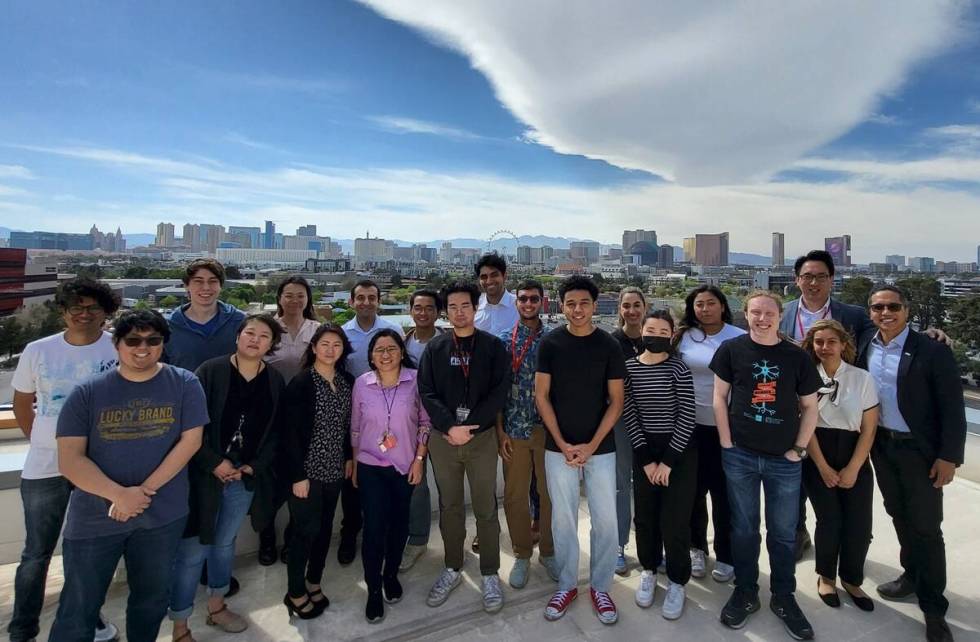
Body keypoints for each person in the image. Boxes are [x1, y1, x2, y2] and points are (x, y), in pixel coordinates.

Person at [780, 250, 948, 560]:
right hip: (795, 410)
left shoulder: (855, 314)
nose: (813, 282)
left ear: (832, 280)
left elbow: (887, 333)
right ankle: (798, 532)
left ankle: (854, 541)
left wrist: (927, 335)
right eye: (807, 276)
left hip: (843, 417)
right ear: (796, 280)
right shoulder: (785, 312)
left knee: (847, 482)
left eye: (820, 276)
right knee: (797, 478)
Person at [49, 310, 206, 642]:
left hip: (162, 516)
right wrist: (119, 495)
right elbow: (70, 459)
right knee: (79, 609)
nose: (142, 348)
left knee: (150, 602)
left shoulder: (184, 384)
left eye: (153, 341)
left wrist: (141, 493)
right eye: (132, 340)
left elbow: (190, 442)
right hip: (95, 519)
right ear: (117, 344)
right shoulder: (88, 393)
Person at [8, 278, 121, 642]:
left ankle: (89, 616)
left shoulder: (118, 346)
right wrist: (44, 441)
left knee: (87, 551)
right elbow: (23, 404)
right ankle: (22, 628)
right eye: (77, 307)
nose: (84, 314)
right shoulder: (38, 350)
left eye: (93, 308)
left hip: (99, 465)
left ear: (106, 313)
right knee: (36, 554)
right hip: (45, 467)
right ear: (64, 310)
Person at [857, 286, 966, 642]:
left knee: (927, 527)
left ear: (907, 309)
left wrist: (948, 456)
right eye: (877, 307)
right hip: (882, 447)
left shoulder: (931, 349)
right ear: (869, 311)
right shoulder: (863, 345)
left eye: (893, 306)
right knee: (899, 515)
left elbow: (952, 409)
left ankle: (934, 606)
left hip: (919, 451)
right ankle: (911, 575)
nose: (885, 312)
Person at [711, 290, 821, 640]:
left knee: (784, 532)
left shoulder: (796, 357)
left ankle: (784, 596)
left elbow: (810, 407)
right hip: (740, 454)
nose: (761, 319)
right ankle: (746, 591)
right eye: (755, 313)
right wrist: (727, 444)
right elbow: (719, 398)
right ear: (746, 315)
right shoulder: (731, 350)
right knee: (743, 529)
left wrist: (799, 449)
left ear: (779, 316)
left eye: (768, 313)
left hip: (784, 458)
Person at [168, 315, 286, 641]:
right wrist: (213, 462)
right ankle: (180, 626)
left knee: (224, 544)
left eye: (264, 336)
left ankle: (217, 606)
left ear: (271, 345)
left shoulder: (274, 380)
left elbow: (275, 432)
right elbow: (188, 423)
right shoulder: (210, 372)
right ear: (237, 336)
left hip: (242, 477)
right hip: (204, 475)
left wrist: (253, 467)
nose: (255, 340)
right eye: (250, 332)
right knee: (193, 550)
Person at [537, 275, 625, 625]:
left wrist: (590, 445)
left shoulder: (608, 345)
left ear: (594, 304)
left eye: (584, 303)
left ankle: (601, 586)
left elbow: (616, 401)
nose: (577, 310)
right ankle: (567, 582)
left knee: (605, 518)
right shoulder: (551, 344)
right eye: (570, 303)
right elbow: (541, 396)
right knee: (562, 518)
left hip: (600, 447)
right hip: (558, 446)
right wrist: (562, 443)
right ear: (562, 306)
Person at [417, 281, 510, 613]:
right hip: (444, 440)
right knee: (450, 507)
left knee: (486, 508)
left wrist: (471, 427)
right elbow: (426, 391)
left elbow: (500, 391)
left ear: (476, 307)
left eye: (465, 306)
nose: (459, 312)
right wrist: (449, 427)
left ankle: (489, 572)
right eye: (453, 307)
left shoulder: (493, 347)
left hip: (482, 439)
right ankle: (453, 566)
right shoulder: (436, 348)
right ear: (447, 311)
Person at [351, 329, 431, 623]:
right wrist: (356, 462)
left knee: (399, 526)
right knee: (373, 528)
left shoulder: (414, 381)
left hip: (404, 465)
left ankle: (390, 575)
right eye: (379, 350)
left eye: (392, 348)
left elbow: (425, 422)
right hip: (371, 465)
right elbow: (356, 427)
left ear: (401, 351)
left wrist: (419, 459)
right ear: (370, 356)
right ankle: (373, 589)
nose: (386, 355)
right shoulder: (362, 384)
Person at [800, 320, 878, 613]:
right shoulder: (807, 378)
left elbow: (869, 429)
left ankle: (852, 579)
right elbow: (806, 426)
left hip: (853, 452)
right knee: (829, 520)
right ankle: (826, 577)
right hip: (818, 451)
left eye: (831, 342)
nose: (824, 347)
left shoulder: (862, 379)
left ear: (843, 344)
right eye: (819, 342)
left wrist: (854, 468)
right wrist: (822, 466)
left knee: (859, 523)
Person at [623, 310, 697, 620]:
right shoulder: (628, 368)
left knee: (674, 520)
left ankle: (678, 581)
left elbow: (687, 415)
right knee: (645, 517)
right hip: (644, 451)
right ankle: (650, 569)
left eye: (662, 330)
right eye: (649, 329)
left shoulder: (678, 367)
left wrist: (666, 462)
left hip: (677, 452)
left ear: (671, 335)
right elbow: (630, 414)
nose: (654, 334)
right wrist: (647, 462)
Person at [280, 323, 355, 620]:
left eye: (336, 345)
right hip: (306, 473)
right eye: (324, 344)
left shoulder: (346, 380)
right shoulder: (301, 384)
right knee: (303, 532)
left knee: (324, 530)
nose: (330, 350)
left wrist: (349, 457)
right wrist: (297, 476)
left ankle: (314, 582)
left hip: (334, 470)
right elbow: (288, 434)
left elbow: (350, 426)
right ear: (313, 348)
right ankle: (295, 591)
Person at [675, 285, 744, 583]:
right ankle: (697, 548)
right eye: (699, 304)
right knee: (692, 492)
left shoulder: (738, 337)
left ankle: (727, 553)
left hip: (726, 427)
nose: (705, 309)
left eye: (710, 303)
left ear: (722, 306)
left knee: (724, 493)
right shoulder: (683, 337)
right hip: (689, 425)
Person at [496, 279, 558, 589]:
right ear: (517, 303)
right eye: (523, 299)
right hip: (515, 429)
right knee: (514, 495)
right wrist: (499, 430)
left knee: (549, 496)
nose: (529, 304)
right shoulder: (504, 340)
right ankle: (522, 553)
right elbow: (496, 390)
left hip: (547, 431)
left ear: (542, 302)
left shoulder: (556, 341)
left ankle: (547, 550)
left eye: (534, 299)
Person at [339, 279, 404, 565]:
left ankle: (386, 537)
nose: (366, 302)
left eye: (372, 298)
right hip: (353, 416)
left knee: (388, 478)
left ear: (379, 300)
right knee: (353, 479)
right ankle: (350, 533)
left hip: (391, 417)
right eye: (361, 298)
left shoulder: (393, 331)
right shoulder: (343, 333)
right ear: (352, 302)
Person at [259, 276, 322, 566]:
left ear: (308, 299)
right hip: (269, 415)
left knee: (303, 479)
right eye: (288, 295)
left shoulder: (317, 329)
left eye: (300, 295)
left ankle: (292, 536)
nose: (294, 301)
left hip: (306, 416)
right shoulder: (267, 328)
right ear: (279, 298)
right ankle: (267, 539)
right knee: (270, 483)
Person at [399, 289, 445, 572]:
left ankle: (458, 541)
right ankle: (417, 540)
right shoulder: (402, 343)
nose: (423, 313)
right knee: (416, 484)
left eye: (429, 308)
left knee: (447, 484)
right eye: (418, 308)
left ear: (438, 312)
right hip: (410, 425)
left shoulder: (448, 343)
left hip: (441, 425)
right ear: (411, 310)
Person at [608, 285, 646, 576]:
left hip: (654, 420)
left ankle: (651, 543)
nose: (632, 311)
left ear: (645, 307)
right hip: (621, 420)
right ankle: (619, 544)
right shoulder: (611, 343)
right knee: (621, 483)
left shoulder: (657, 337)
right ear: (620, 310)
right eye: (626, 306)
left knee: (651, 481)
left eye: (637, 305)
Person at [164, 258, 246, 372]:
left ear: (220, 286)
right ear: (186, 286)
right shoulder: (167, 326)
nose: (206, 287)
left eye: (213, 281)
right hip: (183, 390)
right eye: (198, 281)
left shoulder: (240, 322)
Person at [473, 252, 519, 336]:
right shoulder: (474, 307)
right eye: (484, 277)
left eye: (494, 275)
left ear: (504, 276)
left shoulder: (519, 306)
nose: (489, 281)